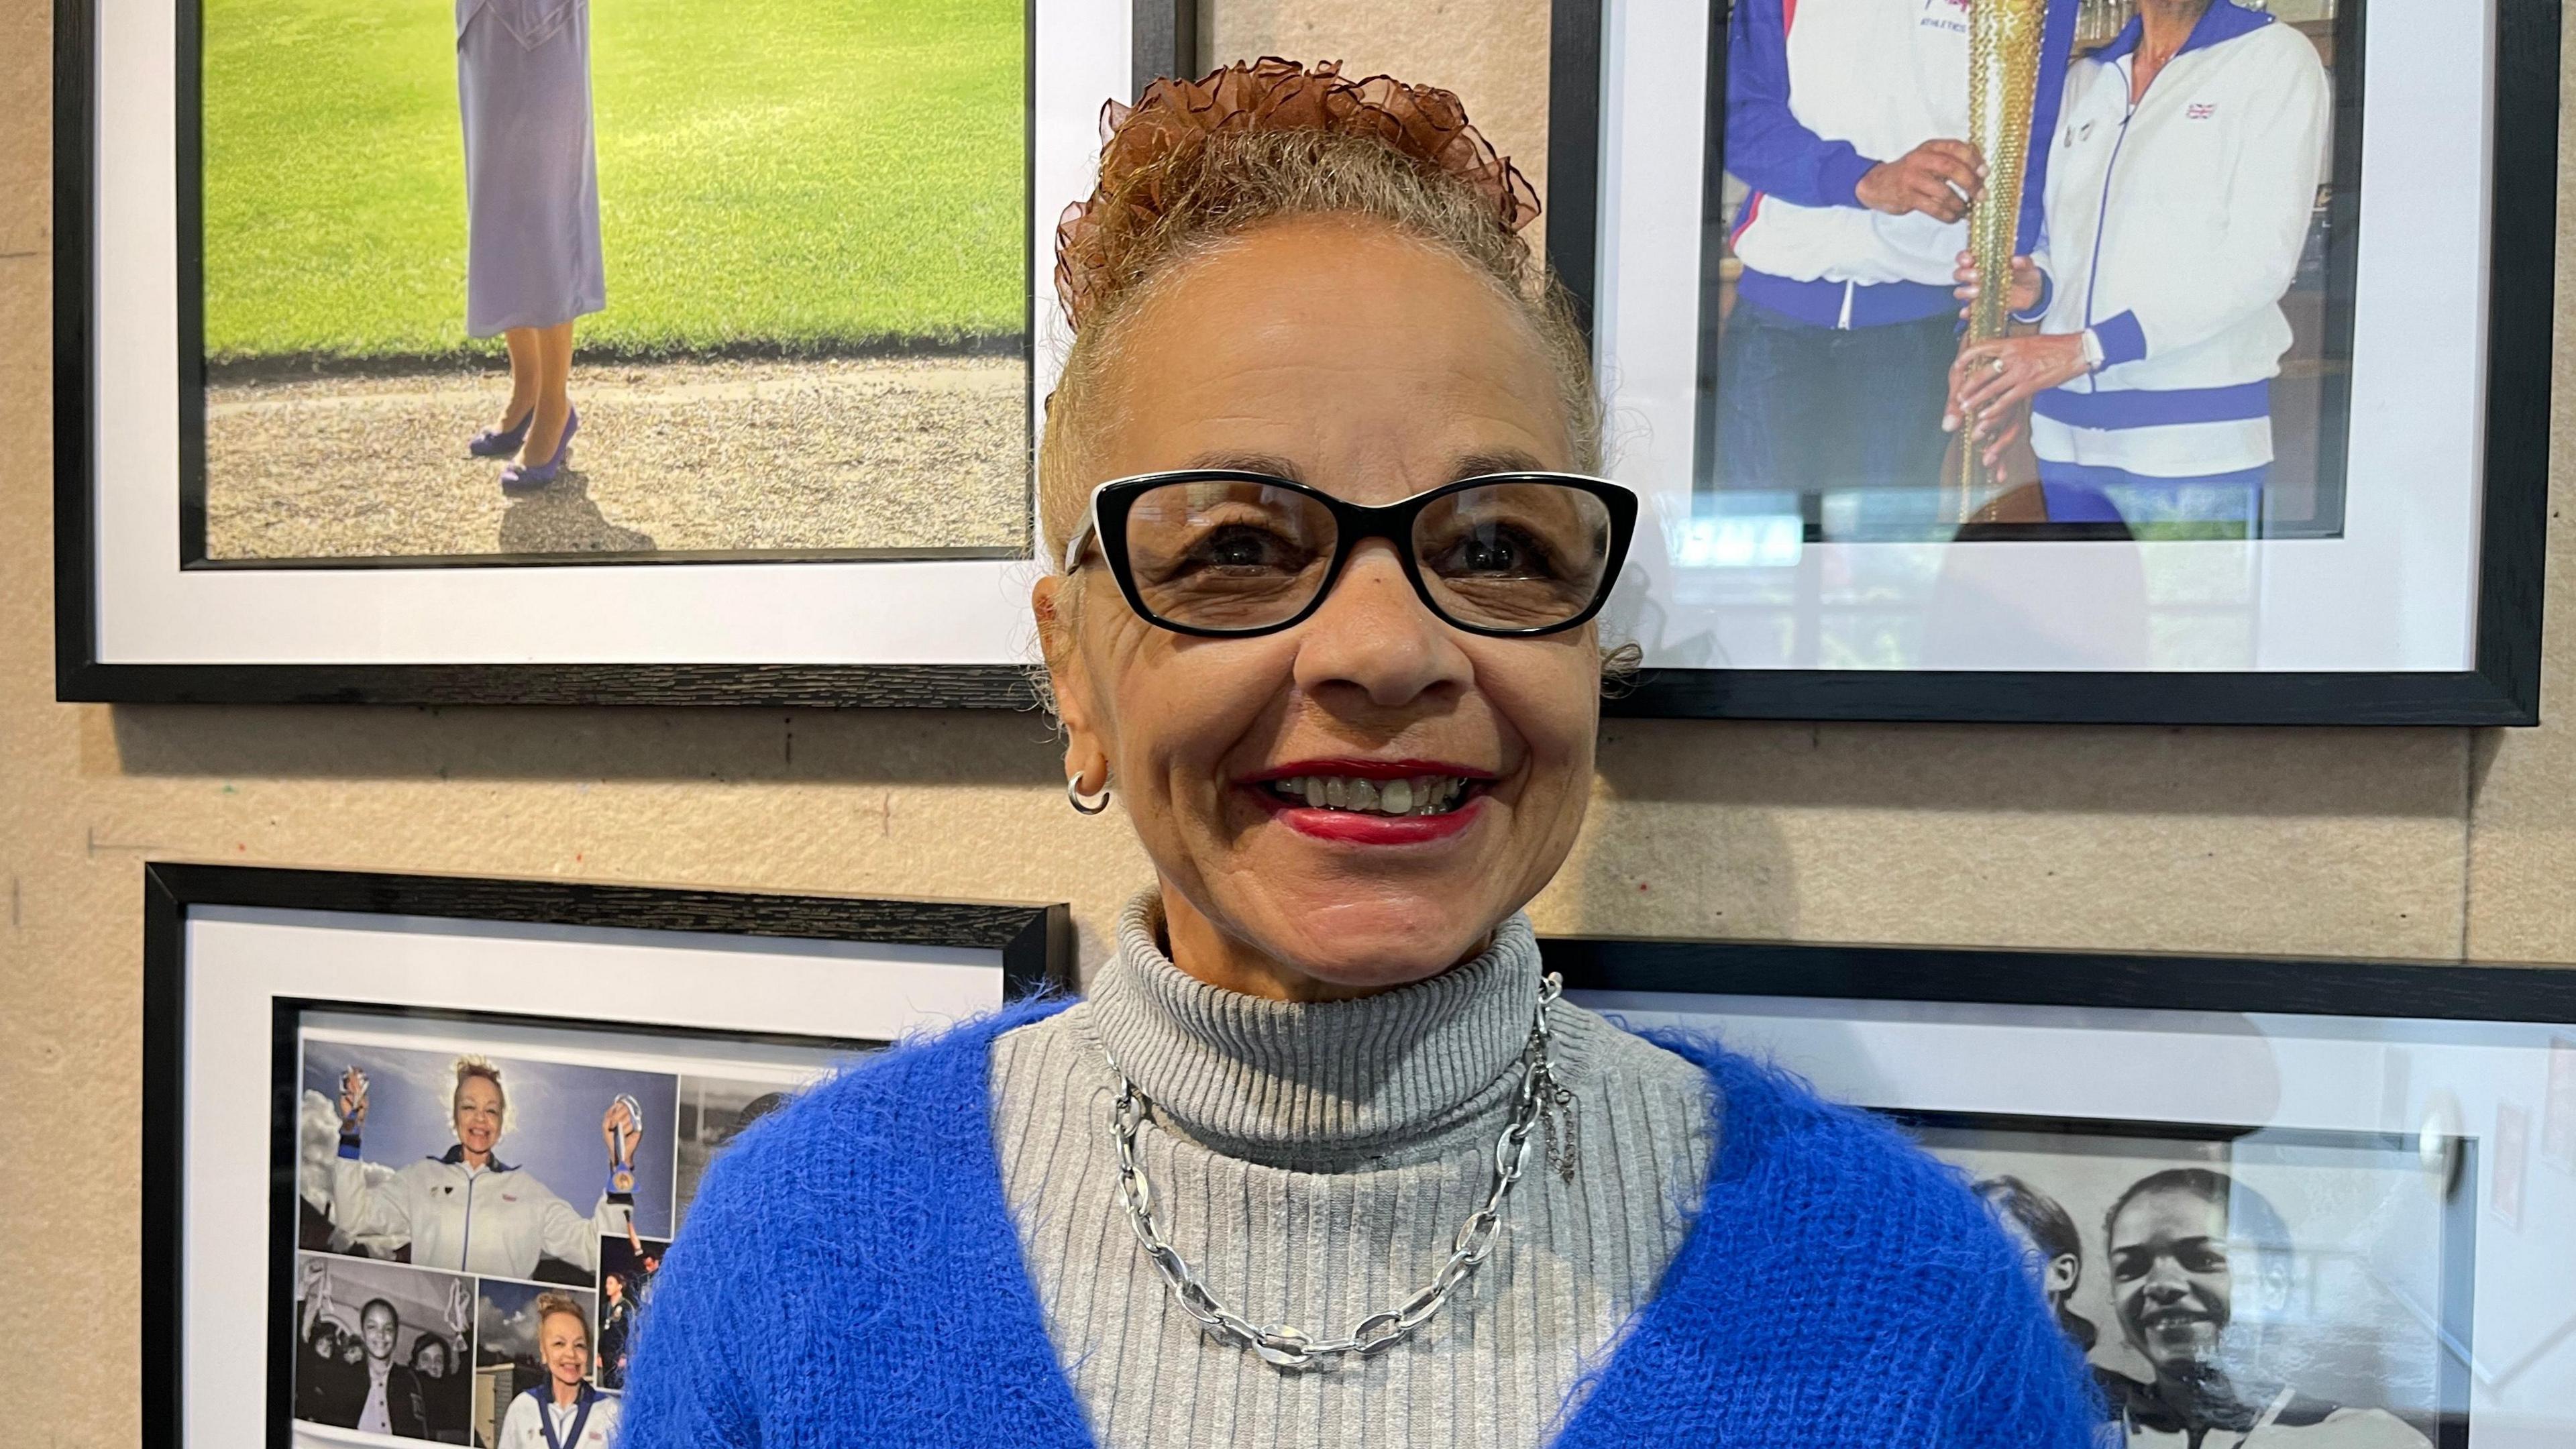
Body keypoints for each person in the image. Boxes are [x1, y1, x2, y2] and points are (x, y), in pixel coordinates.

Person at [614, 58, 2101, 1447]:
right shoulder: (793, 1265)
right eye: (1243, 545)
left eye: (1499, 543)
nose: (1388, 651)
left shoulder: (1920, 1322)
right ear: (1073, 671)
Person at [1947, 0, 2331, 527]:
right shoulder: (2087, 78)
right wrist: (2037, 284)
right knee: (2080, 611)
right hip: (2067, 443)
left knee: (2184, 612)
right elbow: (2067, 245)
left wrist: (2089, 349)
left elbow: (2260, 262)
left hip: (2194, 443)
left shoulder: (2273, 60)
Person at [1715, 0, 2075, 500]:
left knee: (1883, 565)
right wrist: (1863, 180)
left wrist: (1997, 322)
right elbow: (1738, 115)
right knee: (1754, 558)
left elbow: (2033, 146)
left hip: (1918, 331)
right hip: (1776, 317)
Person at [2105, 1169, 2432, 1446]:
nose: (2161, 1283)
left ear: (2272, 1286)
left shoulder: (2368, 1440)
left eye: (2204, 1259)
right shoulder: (2086, 1435)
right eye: (2130, 1267)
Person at [455, 0, 605, 492]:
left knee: (546, 206)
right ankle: (528, 389)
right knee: (497, 203)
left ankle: (554, 408)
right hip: (483, 21)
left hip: (545, 20)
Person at [328, 1057, 638, 1280]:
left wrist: (619, 1164)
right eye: (469, 1107)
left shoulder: (530, 1193)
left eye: (491, 1111)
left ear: (503, 1122)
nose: (480, 1119)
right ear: (455, 1116)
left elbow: (595, 1251)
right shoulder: (419, 1178)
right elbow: (353, 1219)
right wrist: (352, 1132)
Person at [495, 1292, 619, 1449]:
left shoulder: (612, 1412)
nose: (571, 1354)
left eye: (579, 1345)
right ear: (544, 1352)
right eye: (559, 1344)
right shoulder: (522, 1408)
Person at [410, 1332, 472, 1444]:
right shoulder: (408, 1387)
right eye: (426, 1359)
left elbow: (466, 1366)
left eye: (438, 1361)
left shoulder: (454, 1390)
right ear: (416, 1364)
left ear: (445, 1365)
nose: (433, 1366)